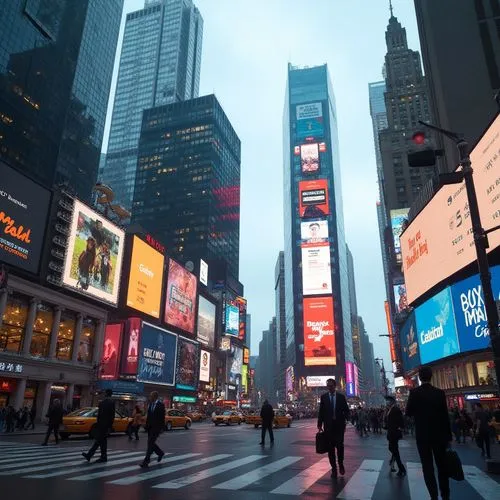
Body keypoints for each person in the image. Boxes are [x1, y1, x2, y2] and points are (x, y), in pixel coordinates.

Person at [406, 366, 452, 500]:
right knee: (442, 466)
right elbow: (445, 416)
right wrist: (448, 436)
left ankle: (433, 495)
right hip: (440, 435)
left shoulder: (415, 393)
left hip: (423, 435)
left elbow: (408, 412)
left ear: (420, 377)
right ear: (431, 377)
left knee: (427, 467)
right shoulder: (439, 393)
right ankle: (445, 495)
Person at [317, 378, 350, 478]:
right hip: (328, 427)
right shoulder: (324, 397)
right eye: (328, 386)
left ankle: (340, 463)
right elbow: (321, 412)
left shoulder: (341, 397)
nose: (329, 387)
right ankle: (334, 469)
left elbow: (346, 410)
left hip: (339, 426)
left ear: (335, 386)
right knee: (330, 450)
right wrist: (319, 424)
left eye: (331, 386)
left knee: (340, 447)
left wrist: (347, 419)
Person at [82, 389, 115, 463]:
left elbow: (100, 415)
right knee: (102, 441)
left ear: (106, 394)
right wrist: (110, 426)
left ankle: (90, 455)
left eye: (104, 393)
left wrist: (99, 424)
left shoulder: (103, 403)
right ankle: (102, 456)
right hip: (105, 425)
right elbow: (112, 416)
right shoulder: (111, 403)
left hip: (102, 425)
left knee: (99, 441)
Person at [140, 391, 166, 467]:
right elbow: (149, 416)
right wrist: (146, 425)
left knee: (150, 443)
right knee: (150, 443)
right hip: (150, 427)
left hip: (156, 428)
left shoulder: (160, 405)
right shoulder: (150, 404)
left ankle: (146, 461)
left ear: (154, 397)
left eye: (151, 396)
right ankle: (160, 453)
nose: (149, 397)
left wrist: (161, 428)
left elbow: (162, 417)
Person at [385, 396, 406, 476]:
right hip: (391, 432)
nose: (387, 402)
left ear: (392, 401)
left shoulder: (396, 409)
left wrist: (399, 428)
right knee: (392, 449)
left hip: (394, 433)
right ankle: (395, 462)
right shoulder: (390, 409)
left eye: (388, 401)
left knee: (394, 450)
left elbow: (401, 421)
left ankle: (401, 468)